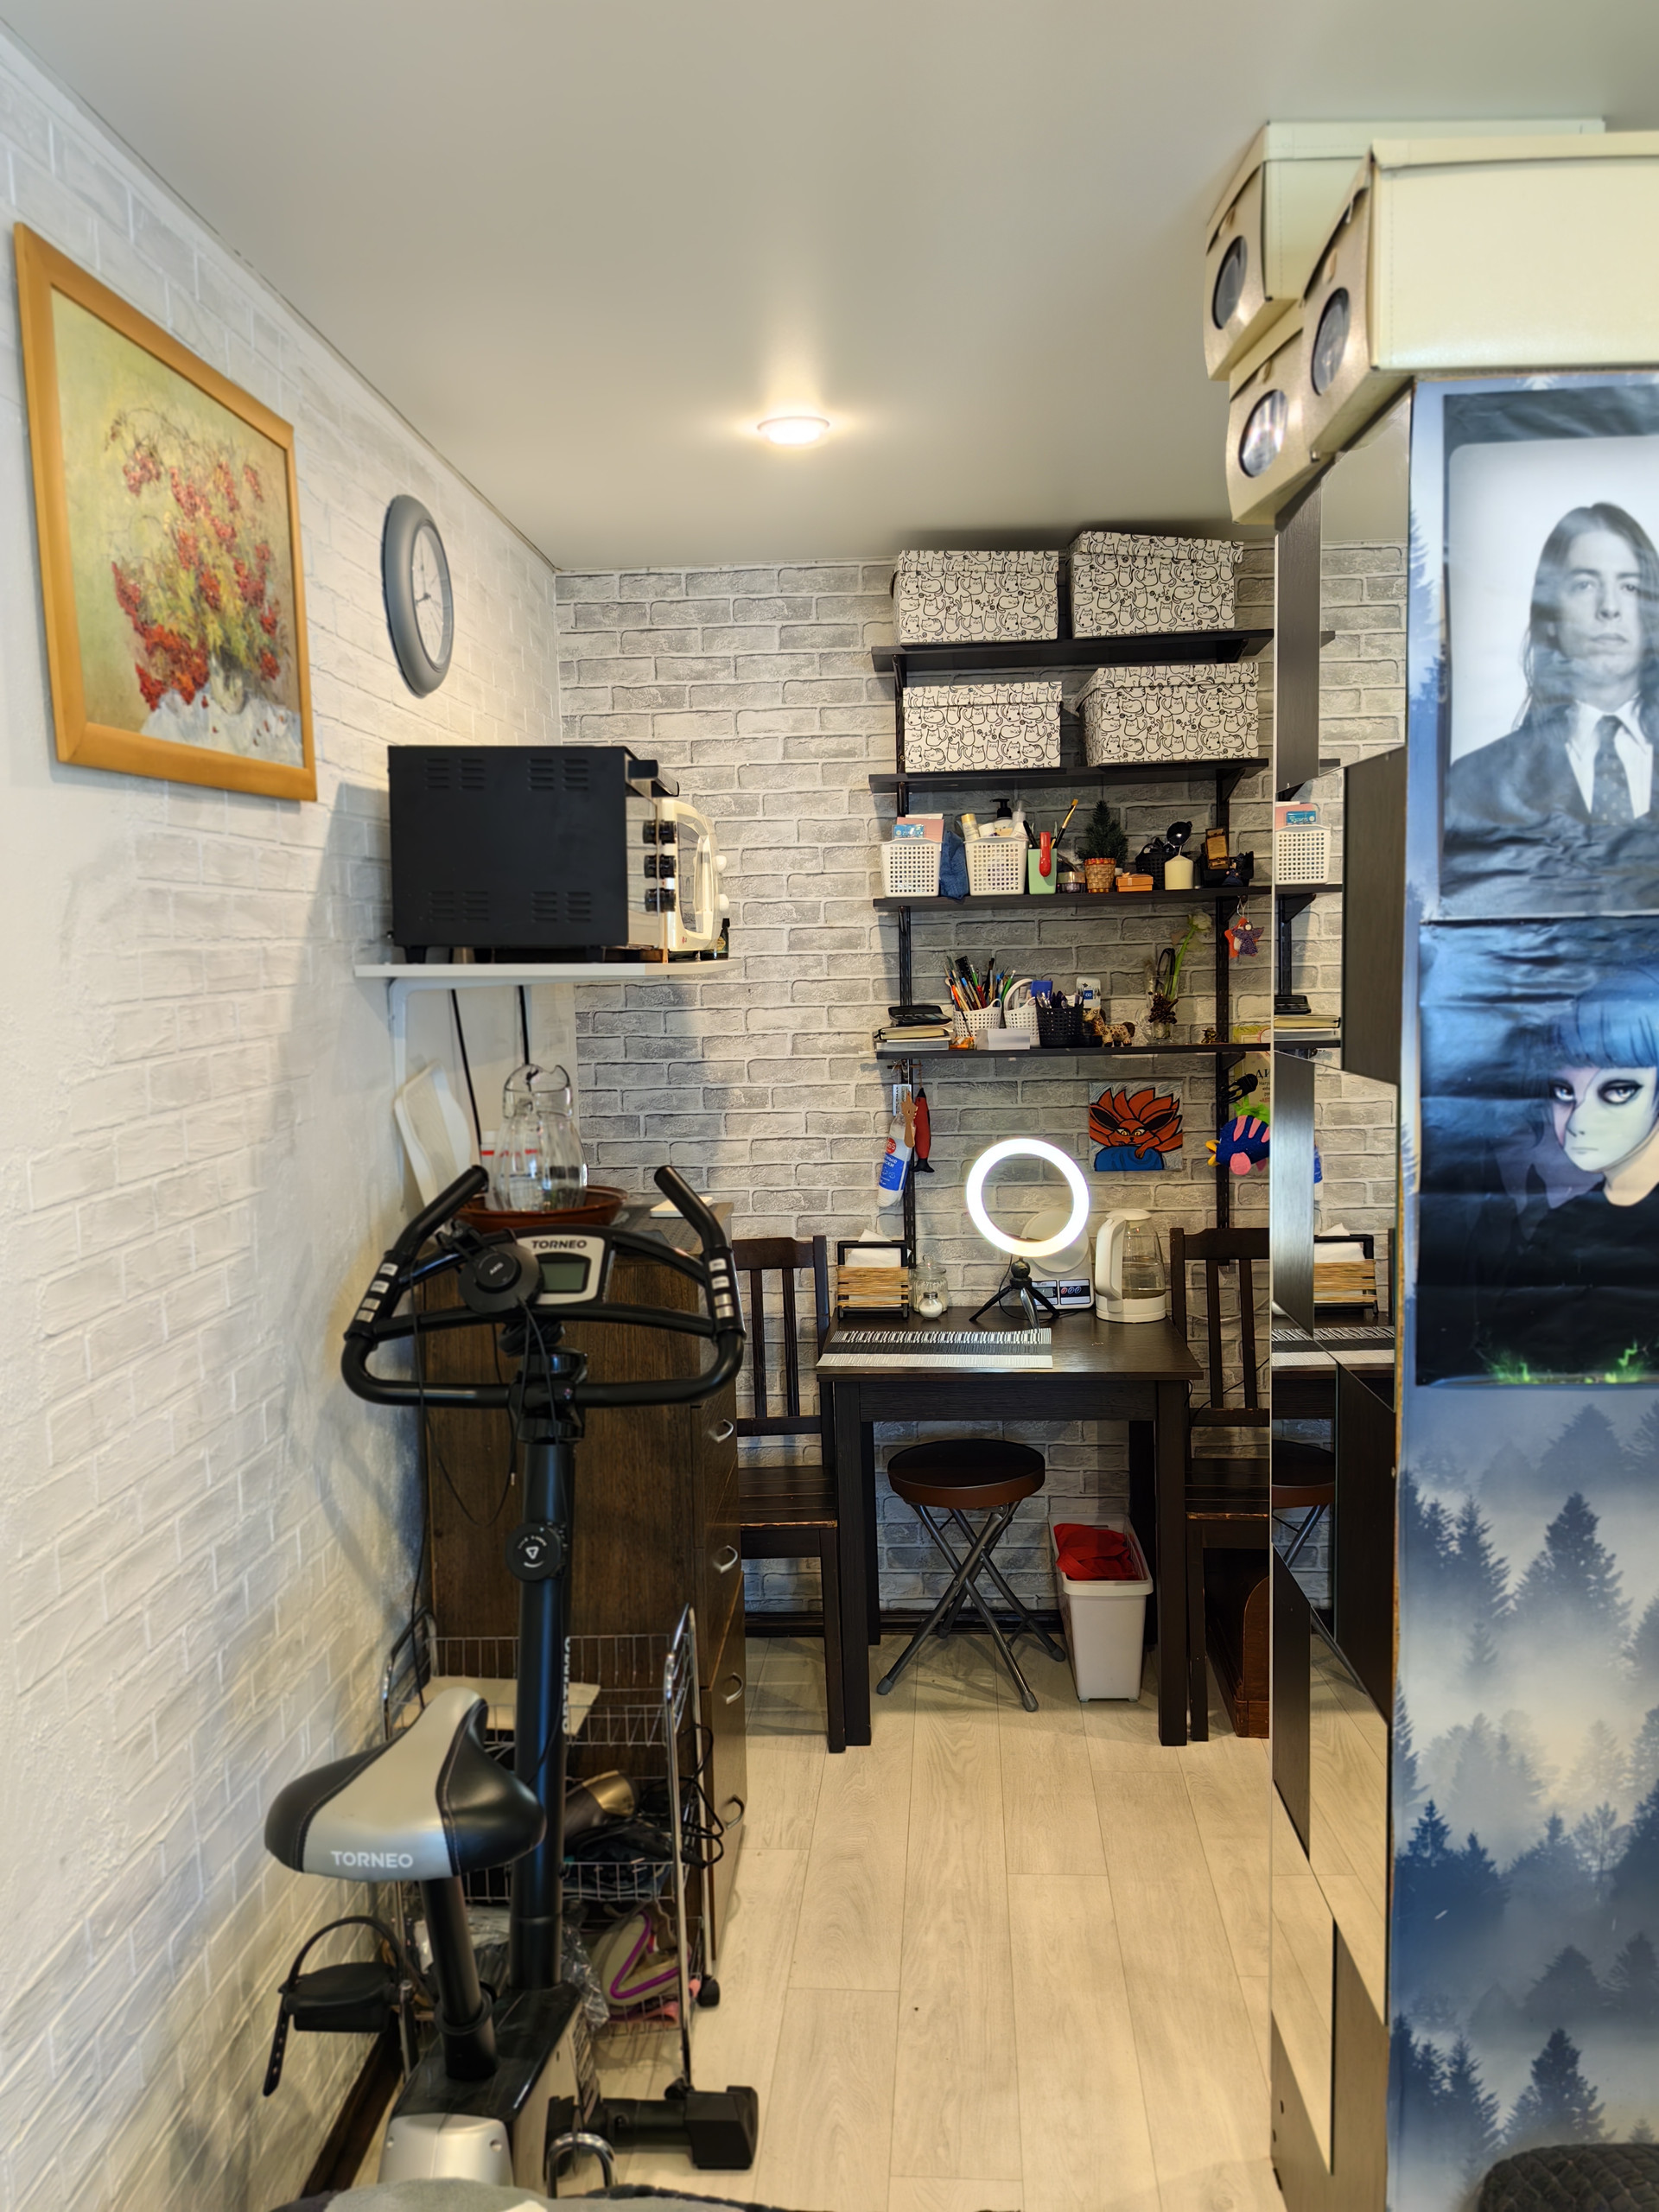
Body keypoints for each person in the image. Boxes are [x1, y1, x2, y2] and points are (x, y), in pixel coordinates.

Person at [1444, 503, 1659, 909]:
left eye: (1630, 587)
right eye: (1585, 584)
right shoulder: (1475, 784)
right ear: (1551, 618)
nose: (1609, 607)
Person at [1480, 970, 1659, 1381]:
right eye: (1564, 1092)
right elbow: (1502, 1355)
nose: (1579, 1121)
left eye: (1617, 1090)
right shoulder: (1561, 1226)